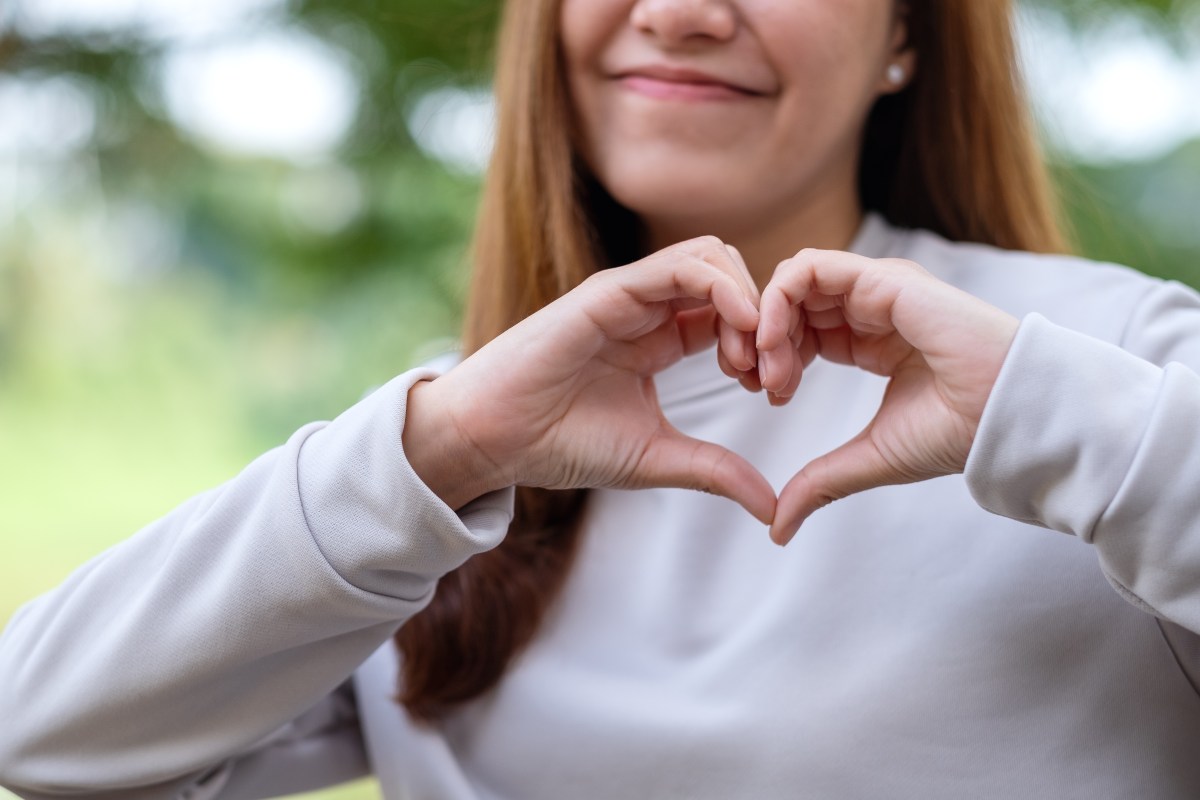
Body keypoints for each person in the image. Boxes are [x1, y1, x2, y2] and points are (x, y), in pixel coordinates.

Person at [4, 0, 1200, 797]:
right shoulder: (440, 454)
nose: (680, 11)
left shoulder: (1115, 358)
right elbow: (37, 728)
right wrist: (445, 444)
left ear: (906, 30)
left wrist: (1058, 420)